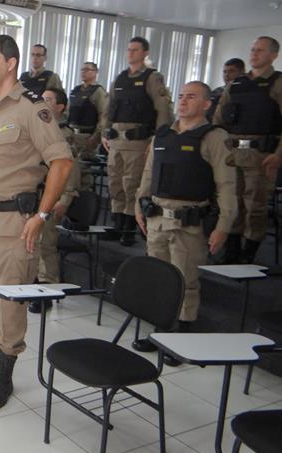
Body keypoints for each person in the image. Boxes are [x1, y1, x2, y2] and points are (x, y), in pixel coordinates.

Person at [0, 35, 73, 410]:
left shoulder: (31, 109)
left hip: (13, 222)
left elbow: (62, 162)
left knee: (10, 301)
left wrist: (42, 215)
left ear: (10, 64)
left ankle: (4, 373)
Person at [134, 81, 237, 361]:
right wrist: (138, 205)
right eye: (181, 96)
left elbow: (227, 186)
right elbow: (148, 175)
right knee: (159, 279)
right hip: (157, 219)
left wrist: (223, 226)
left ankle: (181, 338)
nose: (183, 101)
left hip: (188, 224)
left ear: (206, 104)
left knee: (185, 281)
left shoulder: (214, 137)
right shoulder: (162, 135)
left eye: (191, 97)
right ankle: (161, 331)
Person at [214, 36, 282, 264]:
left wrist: (278, 156)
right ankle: (231, 249)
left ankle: (249, 253)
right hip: (233, 154)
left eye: (260, 50)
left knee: (255, 206)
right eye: (252, 49)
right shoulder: (236, 84)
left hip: (261, 155)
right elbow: (219, 120)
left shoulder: (277, 83)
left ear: (274, 55)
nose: (254, 54)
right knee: (232, 203)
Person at [102, 36, 173, 246]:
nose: (130, 53)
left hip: (138, 141)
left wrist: (158, 138)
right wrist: (104, 132)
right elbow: (108, 108)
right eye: (129, 49)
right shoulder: (120, 78)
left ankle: (129, 229)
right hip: (116, 140)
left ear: (145, 53)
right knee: (115, 183)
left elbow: (162, 110)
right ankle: (117, 225)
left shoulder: (152, 77)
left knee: (132, 185)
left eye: (135, 50)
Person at [27, 87, 81, 314]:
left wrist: (66, 198)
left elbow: (70, 169)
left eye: (48, 99)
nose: (43, 102)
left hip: (51, 196)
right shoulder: (35, 126)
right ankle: (32, 284)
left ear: (60, 107)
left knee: (45, 245)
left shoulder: (63, 133)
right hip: (32, 194)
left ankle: (46, 290)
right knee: (31, 242)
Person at [68, 62, 108, 161]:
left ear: (95, 72)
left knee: (82, 165)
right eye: (82, 70)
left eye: (87, 70)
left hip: (87, 137)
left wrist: (96, 138)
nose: (83, 72)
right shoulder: (76, 90)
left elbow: (103, 116)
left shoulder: (98, 91)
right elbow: (68, 111)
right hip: (72, 135)